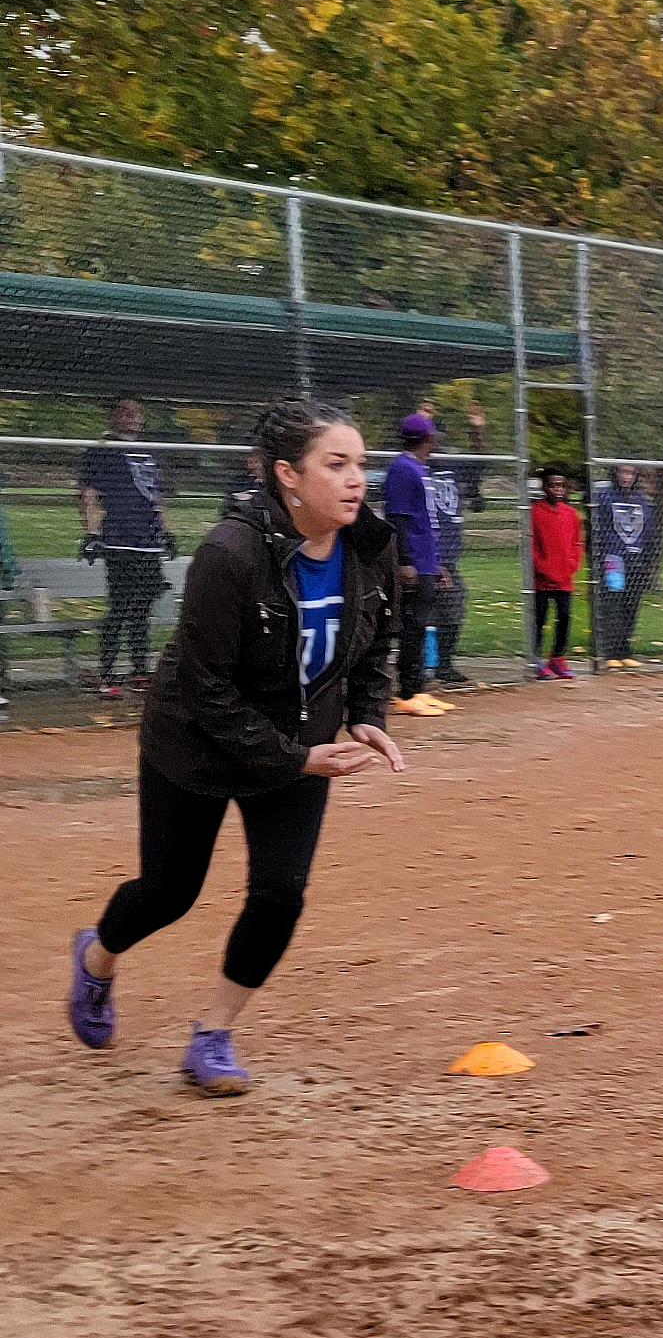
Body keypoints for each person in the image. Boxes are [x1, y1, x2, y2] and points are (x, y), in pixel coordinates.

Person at [66, 394, 404, 1096]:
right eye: (334, 464)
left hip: (301, 741)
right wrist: (296, 757)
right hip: (197, 741)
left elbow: (378, 641)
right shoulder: (230, 553)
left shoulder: (370, 543)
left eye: (359, 465)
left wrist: (368, 712)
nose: (354, 481)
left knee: (280, 893)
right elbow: (207, 689)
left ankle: (213, 1035)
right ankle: (97, 959)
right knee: (169, 891)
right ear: (288, 474)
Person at [77, 394, 175, 695]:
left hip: (147, 543)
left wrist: (165, 531)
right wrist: (92, 534)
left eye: (137, 412)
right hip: (120, 540)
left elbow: (155, 496)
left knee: (142, 609)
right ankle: (106, 672)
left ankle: (140, 670)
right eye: (125, 412)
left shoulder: (148, 451)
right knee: (120, 607)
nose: (132, 417)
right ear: (114, 416)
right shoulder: (103, 451)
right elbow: (89, 496)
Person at [382, 410, 448, 707]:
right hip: (414, 561)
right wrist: (404, 561)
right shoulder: (402, 469)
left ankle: (416, 685)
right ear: (427, 438)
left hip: (425, 559)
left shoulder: (420, 469)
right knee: (412, 623)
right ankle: (408, 689)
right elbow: (398, 518)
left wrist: (434, 563)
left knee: (420, 623)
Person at [594, 461, 658, 662]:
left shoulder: (642, 501)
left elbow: (649, 533)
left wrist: (648, 561)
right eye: (622, 472)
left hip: (636, 558)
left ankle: (624, 649)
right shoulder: (604, 497)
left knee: (631, 605)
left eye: (630, 473)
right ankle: (609, 651)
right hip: (613, 559)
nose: (626, 477)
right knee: (613, 603)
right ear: (615, 473)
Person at [530, 464, 583, 676]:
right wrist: (542, 567)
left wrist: (571, 565)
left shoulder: (571, 514)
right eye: (552, 486)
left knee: (564, 617)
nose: (557, 490)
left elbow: (576, 544)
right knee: (539, 619)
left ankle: (558, 658)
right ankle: (535, 659)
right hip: (542, 580)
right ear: (545, 488)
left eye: (561, 486)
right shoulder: (535, 512)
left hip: (564, 579)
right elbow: (531, 545)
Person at [428, 440, 470, 684]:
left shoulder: (452, 469)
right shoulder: (416, 469)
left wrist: (478, 431)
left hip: (450, 559)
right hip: (423, 558)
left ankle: (444, 665)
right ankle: (417, 669)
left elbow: (479, 464)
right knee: (419, 616)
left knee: (453, 610)